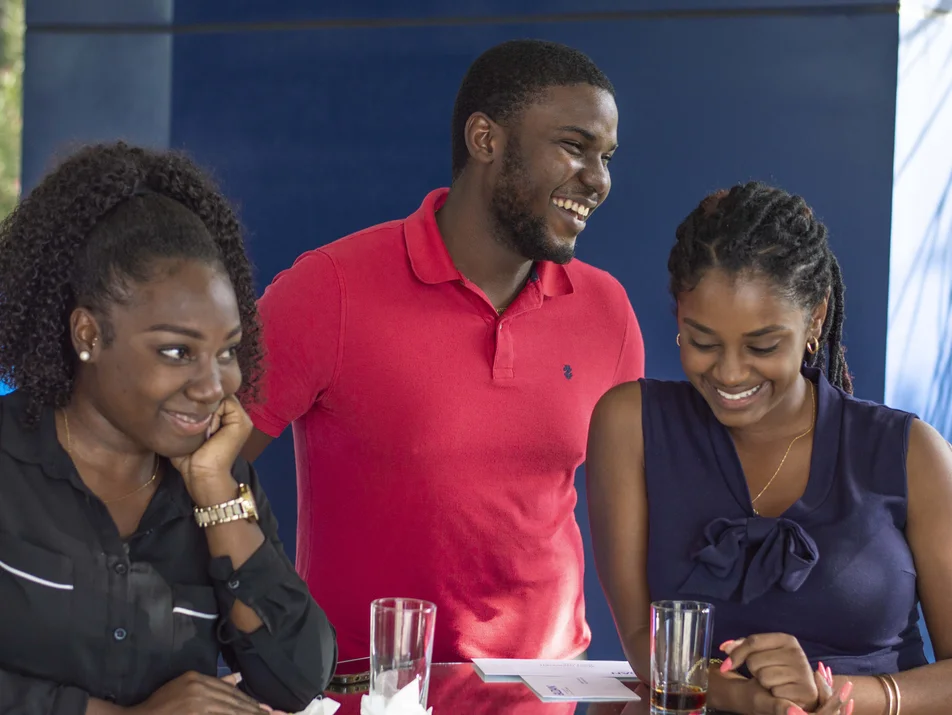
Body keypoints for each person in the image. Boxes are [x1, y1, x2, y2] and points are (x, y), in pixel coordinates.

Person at [241, 39, 645, 663]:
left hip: (547, 703)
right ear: (486, 139)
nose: (598, 180)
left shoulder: (607, 312)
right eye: (574, 146)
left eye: (607, 156)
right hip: (365, 697)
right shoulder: (330, 289)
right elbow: (205, 468)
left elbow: (631, 518)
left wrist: (645, 668)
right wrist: (264, 632)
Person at [586, 181, 952, 715]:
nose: (730, 373)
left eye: (763, 346)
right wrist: (745, 696)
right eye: (703, 341)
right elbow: (648, 642)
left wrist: (836, 697)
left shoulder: (910, 453)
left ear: (816, 319)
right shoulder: (631, 424)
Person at [0, 142, 337, 714]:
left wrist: (215, 494)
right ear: (88, 335)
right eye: (177, 351)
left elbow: (297, 679)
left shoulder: (222, 482)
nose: (213, 386)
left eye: (226, 351)